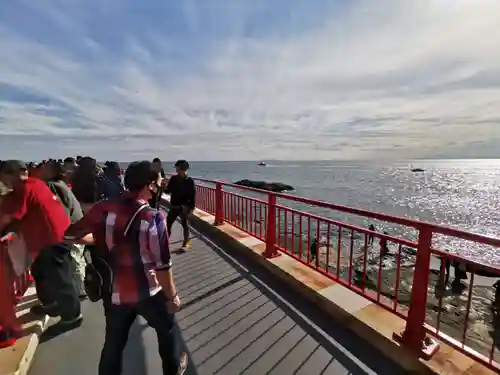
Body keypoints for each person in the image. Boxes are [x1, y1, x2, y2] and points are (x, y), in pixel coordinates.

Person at [65, 160, 187, 375]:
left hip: (115, 292)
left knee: (113, 343)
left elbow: (71, 234)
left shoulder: (104, 206)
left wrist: (103, 239)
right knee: (167, 328)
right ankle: (173, 368)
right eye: (158, 180)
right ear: (149, 184)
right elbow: (162, 265)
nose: (160, 184)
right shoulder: (153, 217)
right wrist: (173, 296)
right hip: (147, 291)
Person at [0, 160, 82, 325]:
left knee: (60, 277)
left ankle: (72, 316)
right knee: (41, 271)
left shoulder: (25, 187)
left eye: (2, 177)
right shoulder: (35, 183)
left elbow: (9, 216)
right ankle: (52, 304)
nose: (3, 182)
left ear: (10, 174)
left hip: (53, 239)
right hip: (48, 238)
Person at [41, 160, 87, 298]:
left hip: (71, 230)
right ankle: (79, 289)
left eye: (45, 169)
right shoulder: (61, 185)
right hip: (76, 227)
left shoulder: (52, 186)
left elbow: (61, 211)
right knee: (77, 259)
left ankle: (78, 292)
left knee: (73, 260)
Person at [165, 160, 195, 252]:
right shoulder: (174, 179)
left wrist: (191, 207)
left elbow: (192, 195)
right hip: (175, 205)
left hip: (184, 207)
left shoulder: (190, 181)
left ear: (182, 169)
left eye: (177, 168)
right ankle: (165, 243)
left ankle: (186, 243)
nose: (176, 170)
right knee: (168, 224)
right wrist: (162, 188)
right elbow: (168, 191)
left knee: (184, 224)